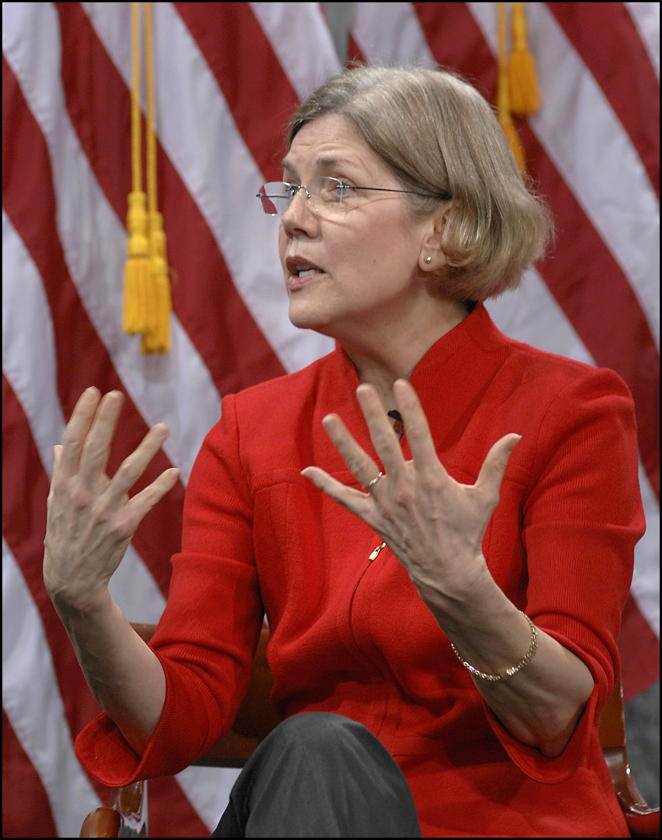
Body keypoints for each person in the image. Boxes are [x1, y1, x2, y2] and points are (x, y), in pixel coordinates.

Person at [43, 65, 645, 838]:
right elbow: (186, 713)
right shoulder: (250, 432)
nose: (292, 219)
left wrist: (464, 592)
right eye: (288, 189)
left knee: (318, 747)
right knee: (319, 748)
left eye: (336, 188)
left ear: (445, 229)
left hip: (507, 823)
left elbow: (560, 714)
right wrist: (86, 605)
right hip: (307, 806)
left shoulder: (571, 412)